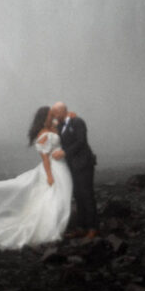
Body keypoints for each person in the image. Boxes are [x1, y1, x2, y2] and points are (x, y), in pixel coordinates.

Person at [0, 106, 73, 249]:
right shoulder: (43, 133)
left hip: (62, 166)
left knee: (62, 195)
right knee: (53, 197)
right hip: (53, 167)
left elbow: (66, 128)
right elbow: (45, 158)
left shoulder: (53, 127)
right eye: (50, 115)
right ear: (44, 117)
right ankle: (52, 228)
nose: (53, 117)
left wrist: (69, 118)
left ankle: (58, 225)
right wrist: (50, 176)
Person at [51, 101, 97, 237]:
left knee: (87, 195)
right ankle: (81, 227)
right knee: (77, 195)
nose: (54, 115)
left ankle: (93, 228)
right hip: (71, 165)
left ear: (63, 111)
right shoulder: (59, 126)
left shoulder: (77, 122)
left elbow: (81, 141)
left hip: (84, 163)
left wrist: (65, 152)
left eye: (56, 112)